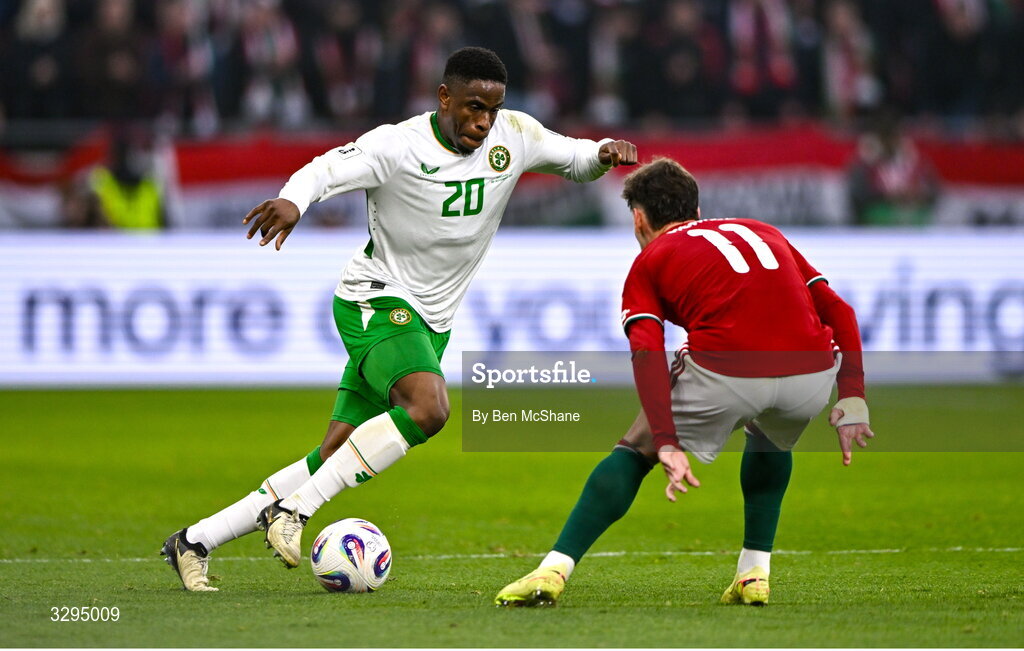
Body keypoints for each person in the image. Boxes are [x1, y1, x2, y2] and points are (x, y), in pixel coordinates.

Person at [160, 46, 637, 592]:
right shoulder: (397, 145)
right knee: (429, 408)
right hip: (375, 298)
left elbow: (571, 158)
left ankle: (194, 541)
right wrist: (294, 200)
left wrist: (603, 152)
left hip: (431, 322)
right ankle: (292, 512)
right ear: (444, 97)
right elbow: (326, 169)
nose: (483, 121)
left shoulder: (515, 135)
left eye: (492, 109)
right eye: (472, 106)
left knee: (334, 454)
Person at [495, 158, 872, 607]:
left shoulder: (650, 259)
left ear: (638, 217)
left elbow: (647, 353)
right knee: (770, 437)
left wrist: (666, 439)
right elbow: (842, 313)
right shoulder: (763, 231)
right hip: (811, 375)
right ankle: (754, 573)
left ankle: (553, 570)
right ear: (694, 206)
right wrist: (852, 396)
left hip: (729, 372)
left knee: (635, 449)